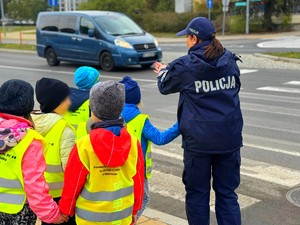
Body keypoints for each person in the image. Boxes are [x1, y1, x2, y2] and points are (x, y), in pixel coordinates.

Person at [153, 17, 243, 225]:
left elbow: (165, 86)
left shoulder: (185, 65)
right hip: (229, 139)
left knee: (197, 194)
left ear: (194, 38)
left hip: (199, 144)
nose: (186, 41)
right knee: (227, 194)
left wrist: (163, 72)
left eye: (187, 37)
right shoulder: (229, 59)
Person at [59, 81, 145, 225]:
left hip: (89, 219)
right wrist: (135, 210)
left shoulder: (84, 145)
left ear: (93, 111)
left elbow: (72, 184)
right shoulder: (133, 143)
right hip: (122, 216)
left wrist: (66, 210)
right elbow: (139, 182)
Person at [0, 80, 68, 225]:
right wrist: (53, 215)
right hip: (18, 212)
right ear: (28, 105)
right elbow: (35, 187)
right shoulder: (29, 139)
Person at [120, 76, 180, 220]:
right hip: (138, 168)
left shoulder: (112, 115)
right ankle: (129, 222)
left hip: (119, 167)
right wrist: (180, 125)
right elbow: (160, 138)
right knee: (143, 199)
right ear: (137, 99)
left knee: (123, 198)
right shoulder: (141, 120)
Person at [32, 78, 76, 225]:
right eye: (66, 99)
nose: (69, 103)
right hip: (61, 197)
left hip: (40, 194)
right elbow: (71, 172)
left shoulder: (30, 124)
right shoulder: (64, 130)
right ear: (56, 102)